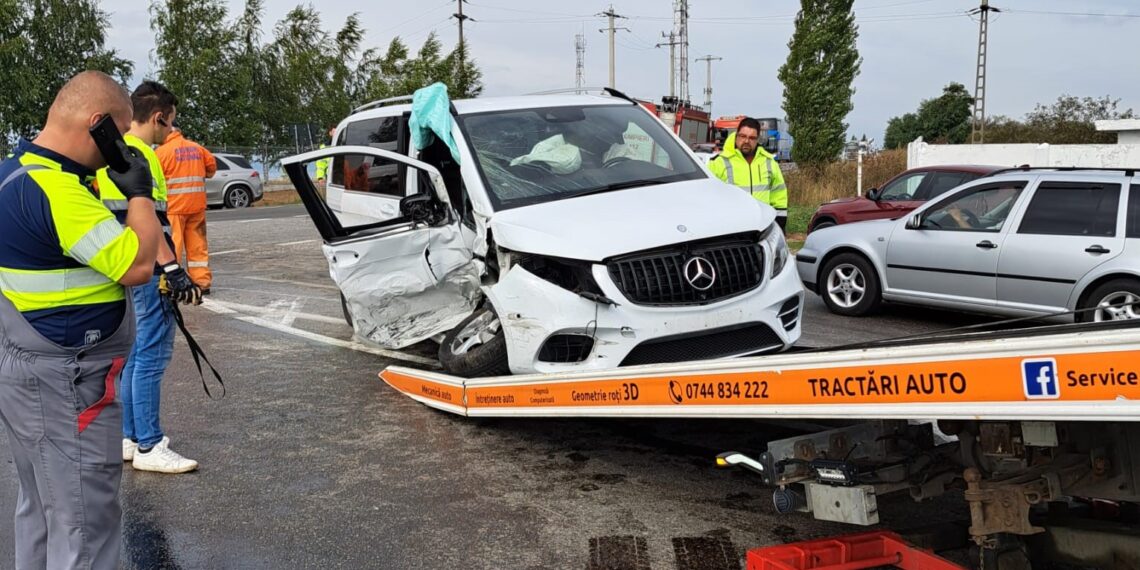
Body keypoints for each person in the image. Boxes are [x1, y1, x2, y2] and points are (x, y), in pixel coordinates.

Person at [0, 70, 162, 569]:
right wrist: (140, 193)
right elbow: (138, 264)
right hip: (70, 379)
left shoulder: (13, 172)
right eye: (116, 132)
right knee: (85, 525)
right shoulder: (60, 193)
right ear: (98, 126)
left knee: (45, 512)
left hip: (29, 371)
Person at [95, 80, 202, 474]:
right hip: (149, 267)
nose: (171, 130)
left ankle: (128, 437)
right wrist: (173, 269)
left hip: (124, 265)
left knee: (135, 355)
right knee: (152, 356)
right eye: (171, 123)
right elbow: (150, 222)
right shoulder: (142, 157)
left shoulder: (113, 154)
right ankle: (150, 444)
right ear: (159, 117)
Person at [156, 124, 216, 293]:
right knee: (198, 246)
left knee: (173, 246)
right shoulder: (197, 148)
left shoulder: (161, 153)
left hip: (174, 207)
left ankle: (172, 282)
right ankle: (202, 282)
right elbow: (211, 170)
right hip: (197, 206)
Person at [708, 117, 789, 230]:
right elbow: (709, 197)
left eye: (752, 138)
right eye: (743, 136)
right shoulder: (718, 163)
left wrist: (780, 225)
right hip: (731, 228)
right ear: (736, 136)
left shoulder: (769, 162)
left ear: (757, 140)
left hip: (763, 227)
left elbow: (779, 195)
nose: (746, 141)